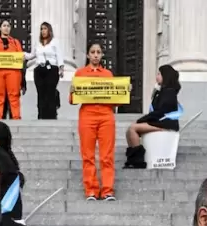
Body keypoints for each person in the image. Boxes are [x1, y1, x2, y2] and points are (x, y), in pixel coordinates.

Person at [72, 42, 117, 201]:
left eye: (98, 52)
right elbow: (73, 100)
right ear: (88, 55)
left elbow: (115, 100)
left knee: (107, 156)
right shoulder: (80, 73)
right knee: (88, 155)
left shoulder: (108, 74)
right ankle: (90, 190)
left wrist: (124, 92)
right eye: (93, 52)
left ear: (102, 55)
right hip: (87, 115)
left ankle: (107, 190)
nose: (96, 55)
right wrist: (72, 92)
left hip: (106, 115)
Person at [124, 64, 181, 169]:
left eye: (159, 74)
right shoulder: (161, 92)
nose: (157, 77)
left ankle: (138, 161)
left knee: (132, 129)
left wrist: (141, 120)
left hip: (166, 124)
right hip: (160, 122)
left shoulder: (169, 92)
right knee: (130, 130)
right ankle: (134, 159)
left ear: (165, 76)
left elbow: (160, 112)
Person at [26, 21, 63, 119]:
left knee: (50, 92)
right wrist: (19, 55)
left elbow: (59, 55)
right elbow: (31, 55)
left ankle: (51, 115)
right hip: (39, 70)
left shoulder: (55, 42)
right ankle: (41, 115)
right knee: (40, 92)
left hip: (52, 69)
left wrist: (61, 67)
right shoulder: (37, 43)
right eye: (41, 29)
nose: (43, 31)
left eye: (45, 28)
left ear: (49, 30)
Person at [0, 20, 25, 120]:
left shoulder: (16, 42)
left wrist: (22, 58)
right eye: (4, 25)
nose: (6, 28)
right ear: (0, 28)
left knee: (14, 96)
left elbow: (20, 57)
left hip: (13, 72)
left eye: (8, 26)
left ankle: (16, 117)